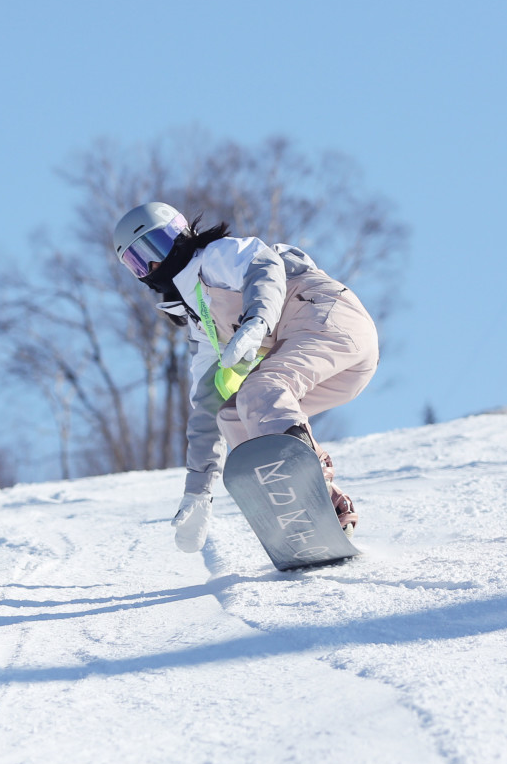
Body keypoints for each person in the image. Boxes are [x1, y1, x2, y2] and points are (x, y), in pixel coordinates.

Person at [114, 201, 379, 553]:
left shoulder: (214, 256)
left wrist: (257, 322)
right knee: (233, 414)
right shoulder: (201, 323)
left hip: (325, 315)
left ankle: (308, 478)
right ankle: (322, 509)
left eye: (155, 248)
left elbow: (264, 266)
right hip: (338, 371)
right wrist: (198, 489)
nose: (152, 266)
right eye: (137, 262)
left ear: (179, 235)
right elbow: (206, 408)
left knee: (262, 388)